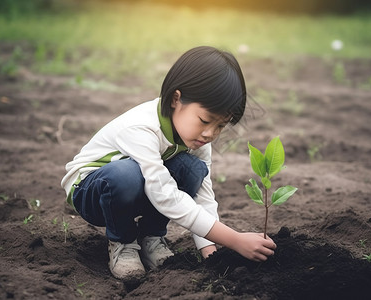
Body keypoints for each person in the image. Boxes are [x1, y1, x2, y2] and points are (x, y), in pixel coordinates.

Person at [61, 46, 276, 280]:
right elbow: (163, 193)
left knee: (193, 170)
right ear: (176, 99)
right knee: (126, 175)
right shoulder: (141, 128)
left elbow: (203, 195)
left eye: (221, 126)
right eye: (204, 120)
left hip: (139, 188)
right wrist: (235, 239)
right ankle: (123, 242)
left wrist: (210, 251)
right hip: (92, 193)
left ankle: (151, 237)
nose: (210, 133)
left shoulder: (198, 139)